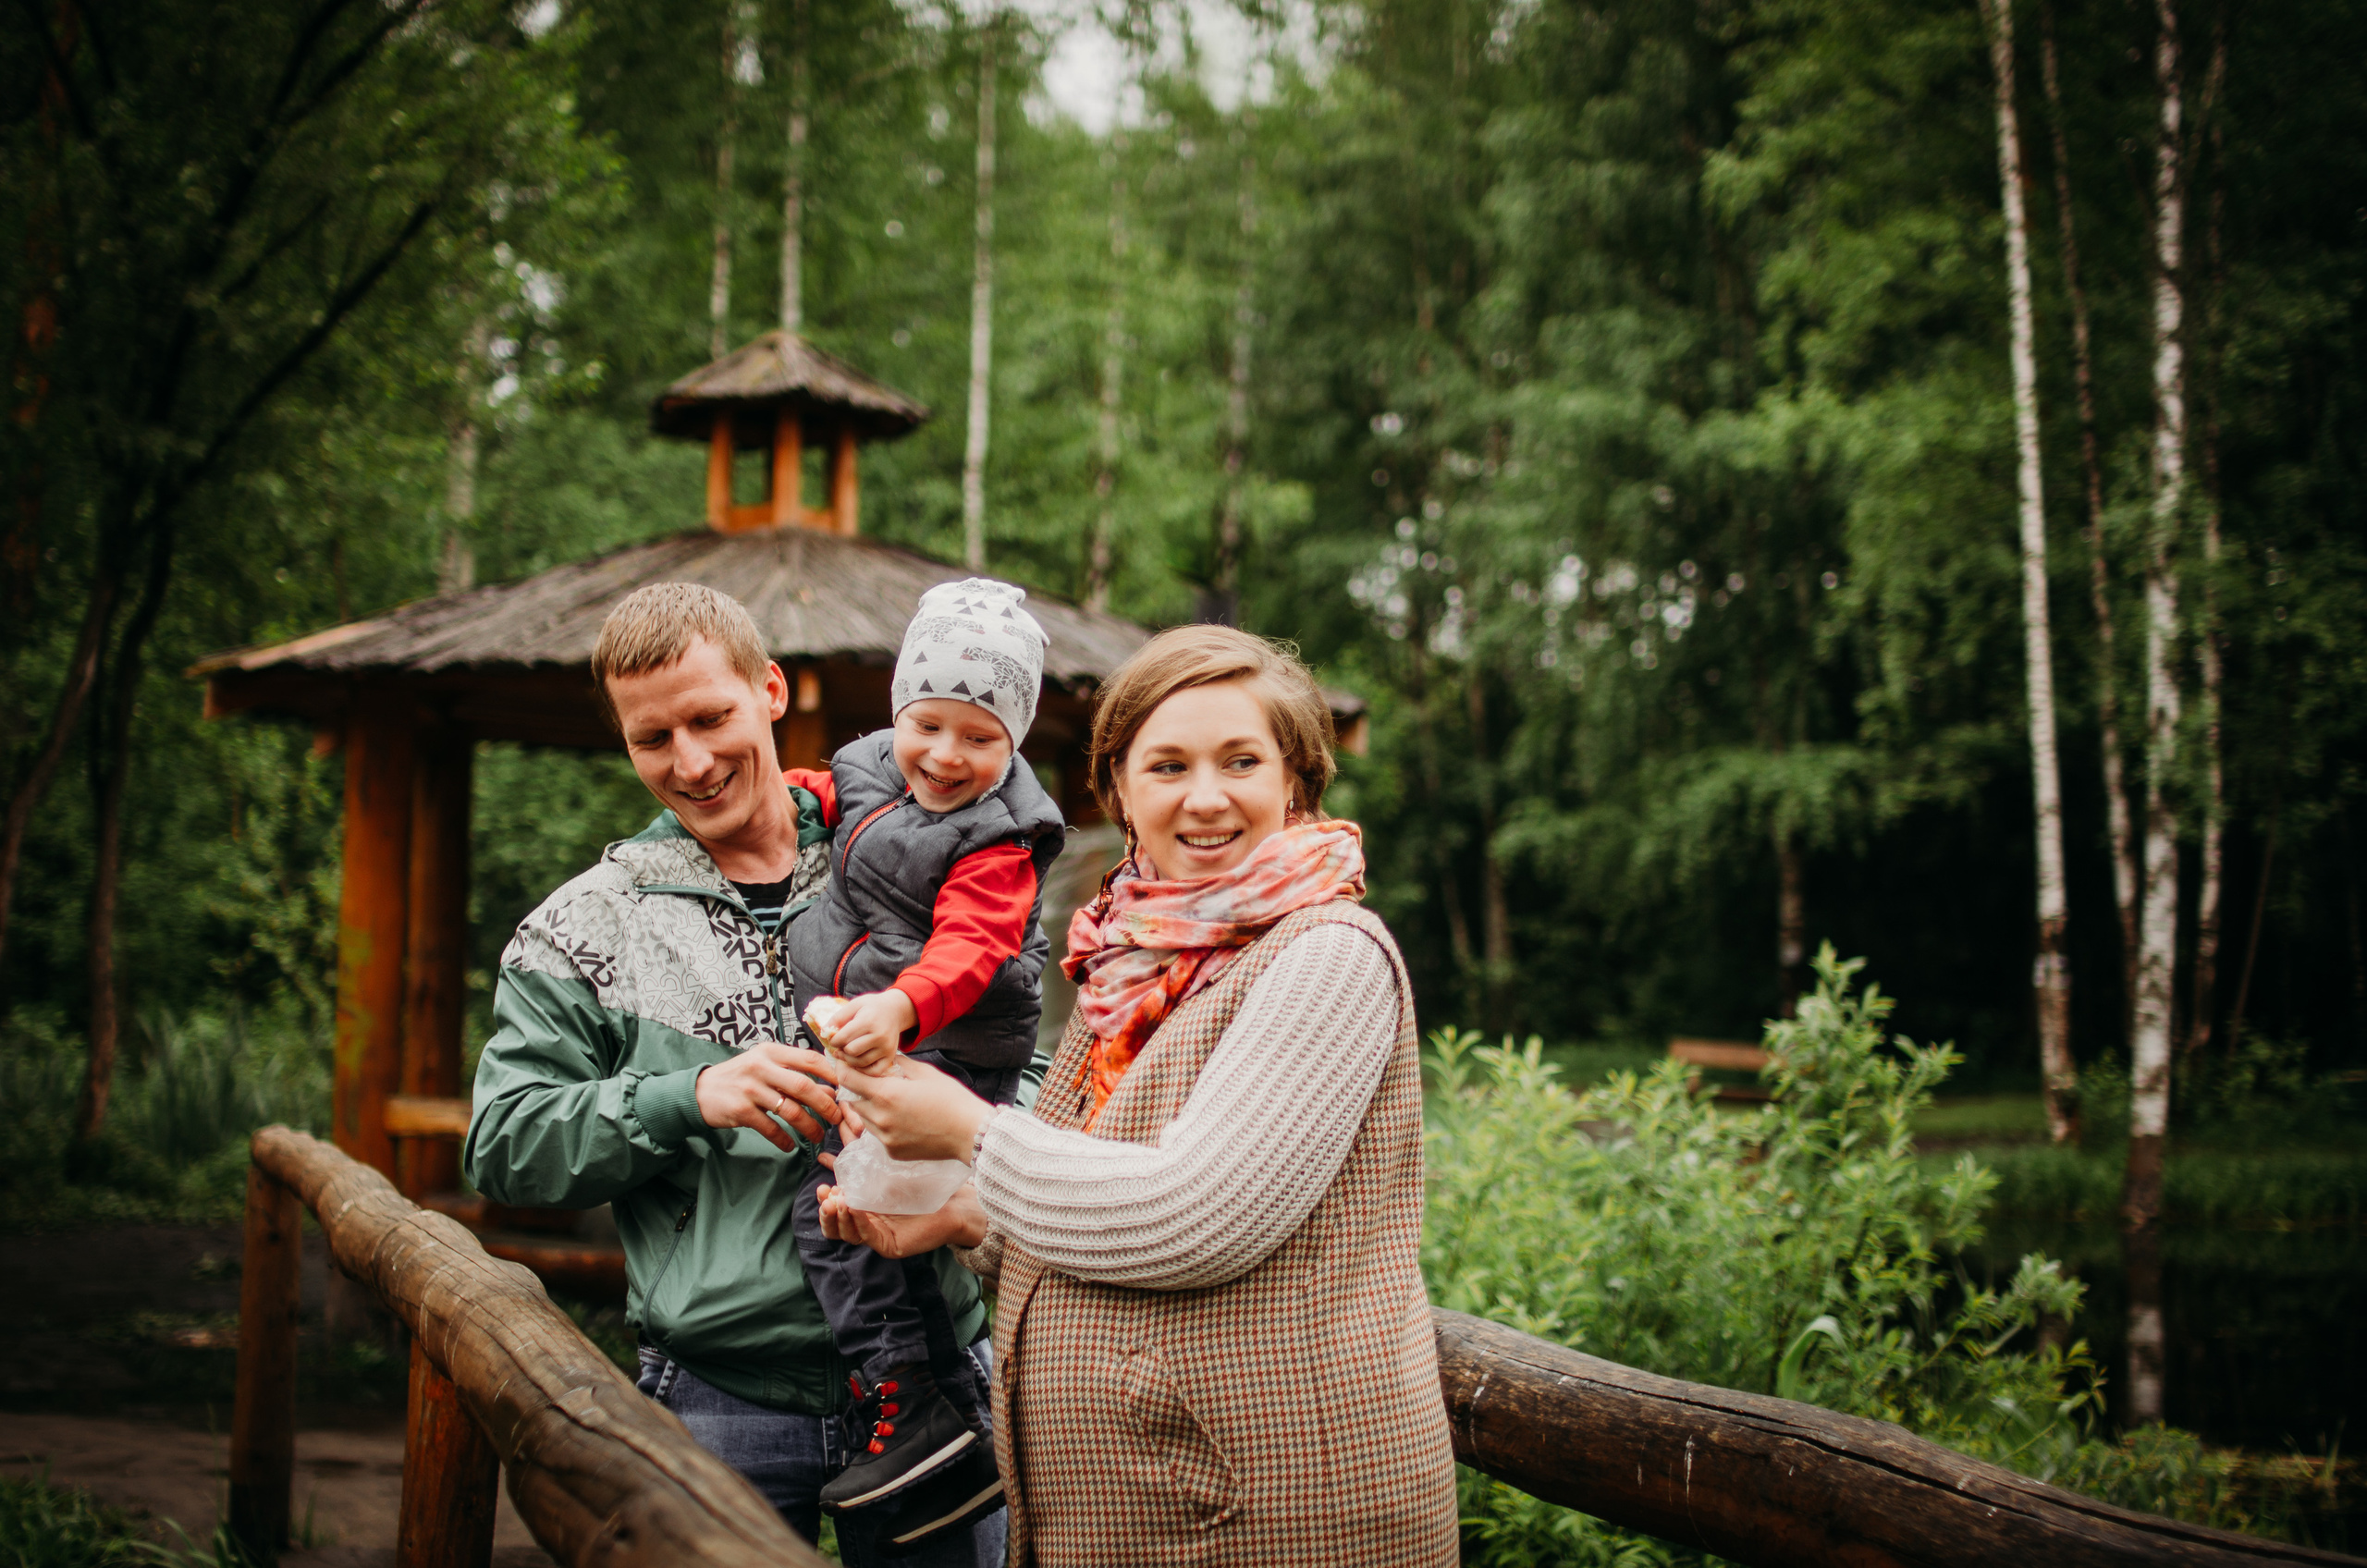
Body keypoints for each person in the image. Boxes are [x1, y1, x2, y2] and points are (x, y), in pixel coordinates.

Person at [817, 624, 1461, 1566]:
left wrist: (967, 1131)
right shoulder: (1130, 957)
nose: (1204, 797)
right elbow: (1103, 1191)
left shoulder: (1327, 955)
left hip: (1268, 1517)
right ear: (1117, 790)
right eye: (1166, 765)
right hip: (1149, 1511)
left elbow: (1196, 1213)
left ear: (1296, 782)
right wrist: (966, 1221)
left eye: (1240, 760)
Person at [461, 582, 1006, 1567]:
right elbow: (504, 1146)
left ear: (771, 690)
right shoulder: (580, 925)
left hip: (942, 1369)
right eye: (653, 738)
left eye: (712, 717)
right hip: (722, 1398)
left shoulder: (918, 858)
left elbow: (1034, 1060)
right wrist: (687, 1097)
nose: (693, 761)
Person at [783, 577, 1065, 1527]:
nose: (945, 756)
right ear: (900, 709)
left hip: (945, 1044)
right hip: (888, 1033)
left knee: (832, 1203)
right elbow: (846, 800)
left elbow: (973, 949)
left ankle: (913, 1398)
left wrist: (902, 1008)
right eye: (928, 725)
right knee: (853, 1212)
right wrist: (797, 798)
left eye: (980, 738)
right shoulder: (873, 764)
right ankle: (934, 1410)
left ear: (1014, 741)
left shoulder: (999, 839)